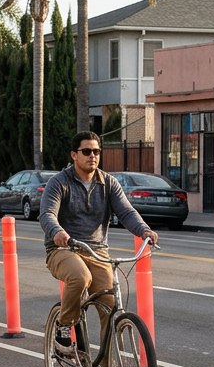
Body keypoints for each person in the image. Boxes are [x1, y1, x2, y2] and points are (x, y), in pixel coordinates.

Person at [40, 131, 158, 352]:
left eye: (96, 151)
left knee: (111, 308)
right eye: (86, 151)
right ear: (74, 155)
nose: (92, 156)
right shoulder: (59, 182)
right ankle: (64, 327)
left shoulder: (108, 182)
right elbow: (47, 214)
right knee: (80, 277)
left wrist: (143, 230)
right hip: (63, 248)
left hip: (97, 251)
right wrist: (57, 232)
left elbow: (126, 212)